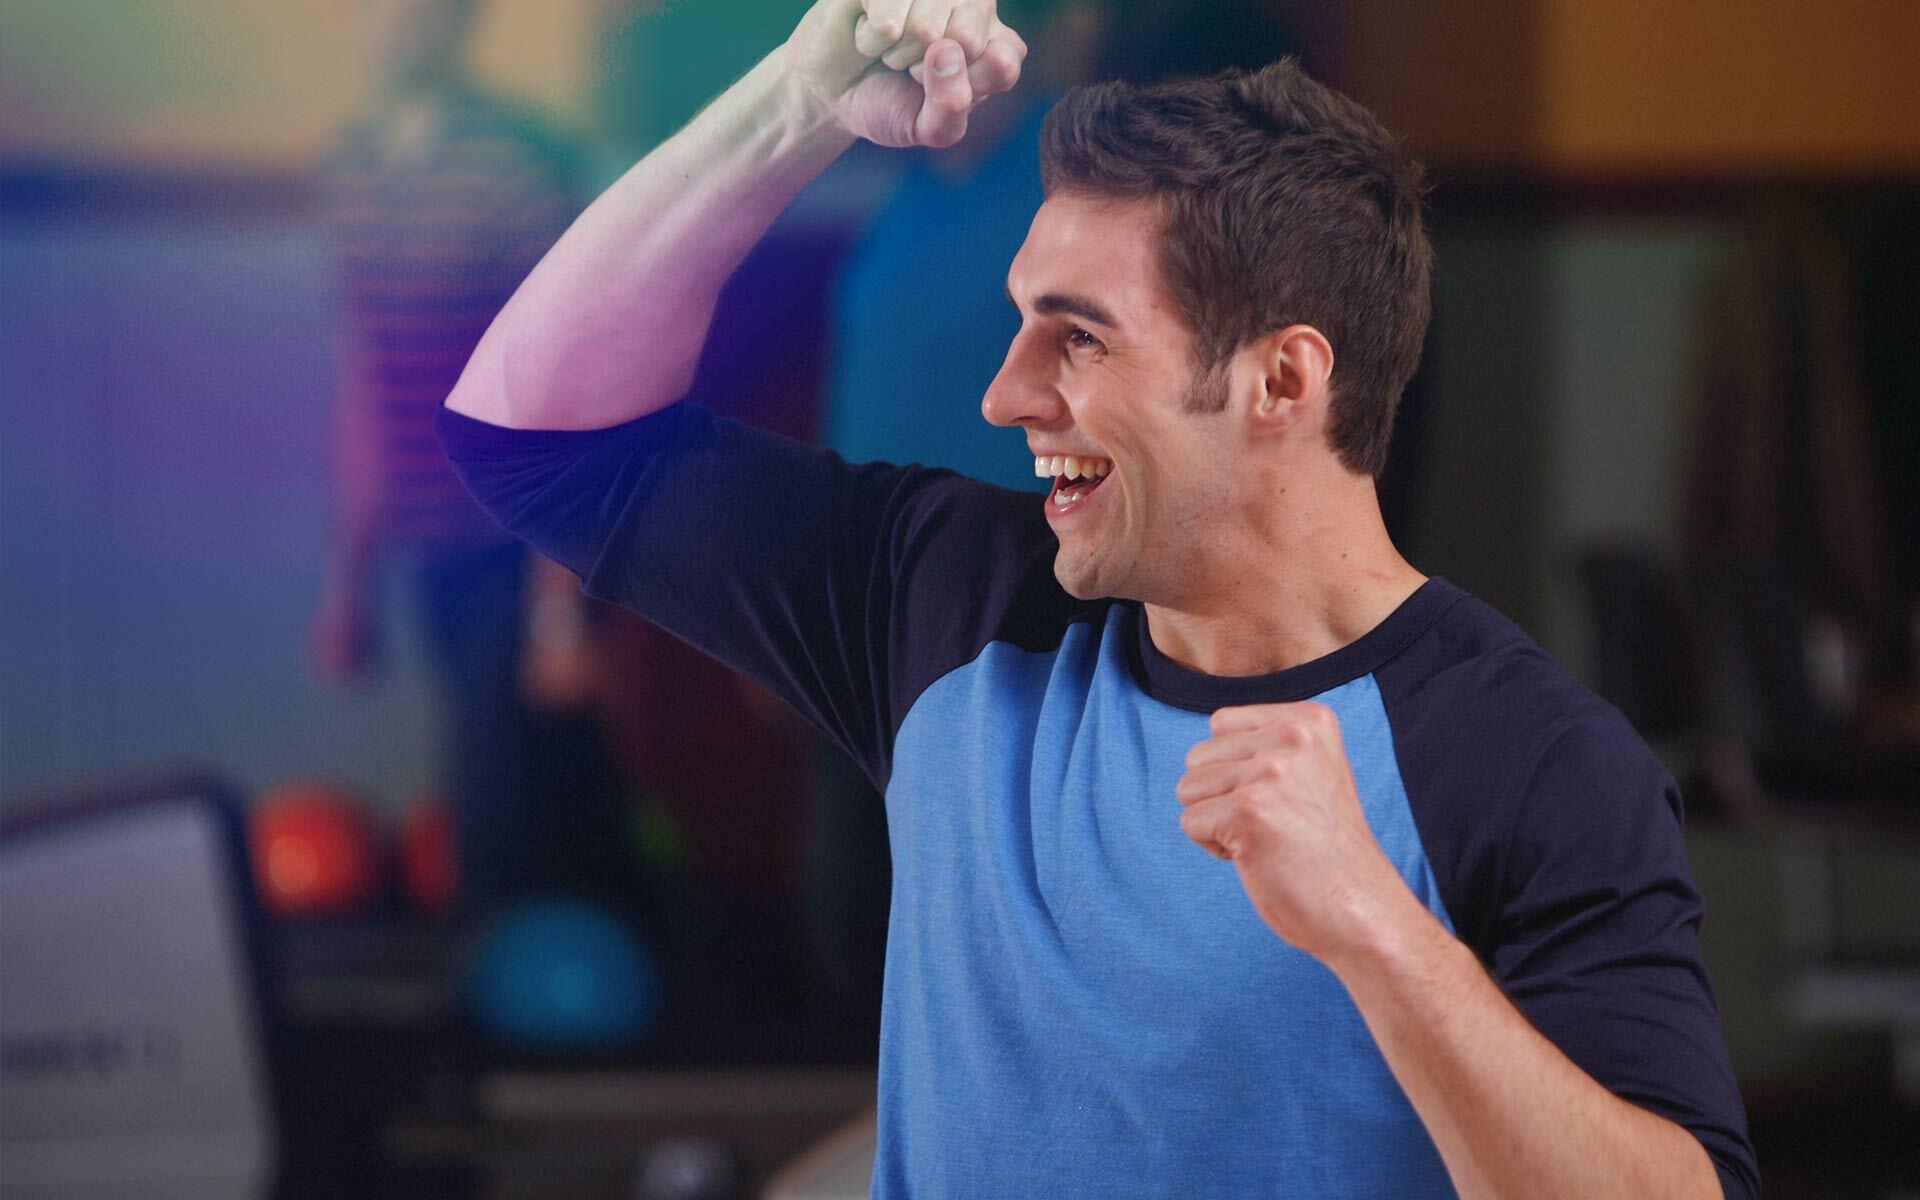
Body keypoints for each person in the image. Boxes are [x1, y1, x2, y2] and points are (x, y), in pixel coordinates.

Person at [432, 0, 1759, 1194]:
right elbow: (535, 438)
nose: (1007, 394)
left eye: (1079, 335)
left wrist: (1377, 935)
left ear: (1281, 383)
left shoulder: (1530, 761)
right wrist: (796, 99)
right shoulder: (944, 603)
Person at [308, 0, 633, 910]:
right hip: (428, 542)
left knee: (503, 824)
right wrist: (349, 577)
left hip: (521, 540)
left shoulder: (522, 163)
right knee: (538, 796)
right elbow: (363, 380)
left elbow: (566, 386)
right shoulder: (354, 164)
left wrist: (559, 608)